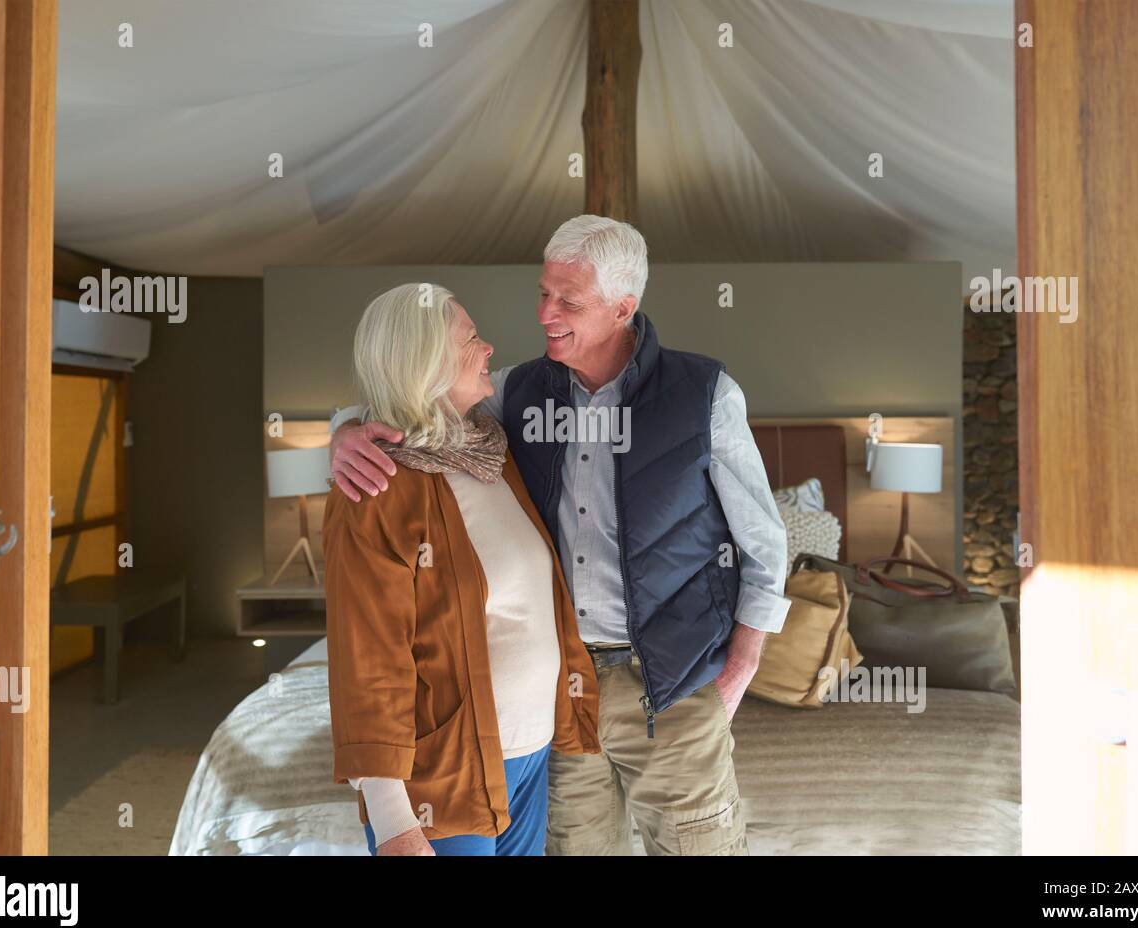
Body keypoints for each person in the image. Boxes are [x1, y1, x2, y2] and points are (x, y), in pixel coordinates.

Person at [330, 216, 789, 855]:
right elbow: (413, 401)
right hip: (564, 697)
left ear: (623, 308)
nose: (546, 312)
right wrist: (346, 429)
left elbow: (765, 546)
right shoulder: (511, 398)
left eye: (569, 300)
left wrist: (737, 672)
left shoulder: (704, 394)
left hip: (674, 684)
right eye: (544, 291)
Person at [323, 282, 600, 856]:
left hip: (527, 756)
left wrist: (344, 423)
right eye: (470, 338)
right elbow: (368, 659)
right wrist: (394, 820)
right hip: (443, 773)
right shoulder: (376, 488)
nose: (489, 348)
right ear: (425, 362)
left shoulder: (489, 453)